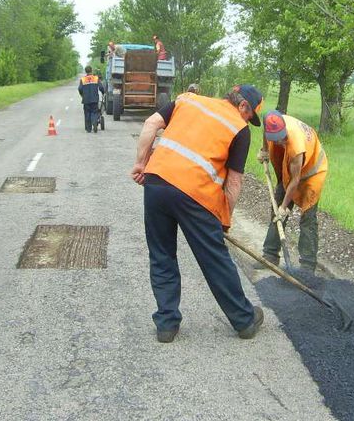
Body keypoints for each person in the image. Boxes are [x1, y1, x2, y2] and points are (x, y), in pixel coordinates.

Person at [131, 84, 266, 343]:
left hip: (157, 183)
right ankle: (244, 320)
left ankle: (166, 325)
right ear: (243, 106)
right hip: (196, 196)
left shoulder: (187, 100)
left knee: (161, 254)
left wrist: (141, 163)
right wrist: (224, 220)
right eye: (251, 116)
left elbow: (150, 124)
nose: (249, 121)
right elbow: (234, 183)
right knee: (214, 258)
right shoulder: (239, 129)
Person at [258, 110, 328, 273]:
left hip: (312, 173)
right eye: (277, 140)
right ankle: (270, 256)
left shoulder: (296, 146)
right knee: (276, 210)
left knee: (308, 218)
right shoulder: (270, 121)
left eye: (283, 138)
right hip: (288, 168)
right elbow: (264, 130)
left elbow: (295, 180)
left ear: (285, 131)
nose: (281, 142)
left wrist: (285, 207)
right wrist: (264, 150)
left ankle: (307, 266)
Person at [78, 65, 105, 133]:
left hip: (86, 100)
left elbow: (80, 88)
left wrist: (82, 95)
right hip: (94, 99)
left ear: (85, 71)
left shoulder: (83, 79)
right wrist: (103, 92)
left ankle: (88, 129)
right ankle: (94, 122)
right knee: (94, 112)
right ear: (91, 70)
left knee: (87, 113)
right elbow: (101, 87)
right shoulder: (96, 78)